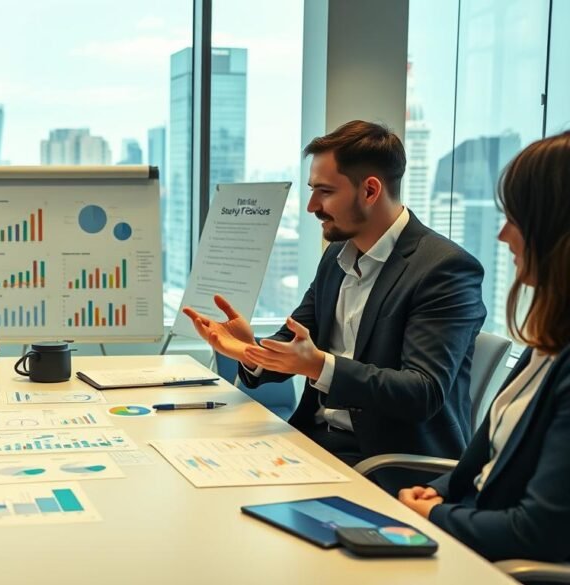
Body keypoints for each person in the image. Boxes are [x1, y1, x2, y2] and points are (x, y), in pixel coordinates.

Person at [184, 120, 486, 493]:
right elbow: (297, 342)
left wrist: (318, 365)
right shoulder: (337, 257)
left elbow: (421, 392)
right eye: (313, 191)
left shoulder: (444, 269)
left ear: (370, 190)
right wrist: (251, 352)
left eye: (325, 192)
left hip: (388, 466)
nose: (312, 206)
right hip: (313, 443)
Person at [398, 131, 570, 562]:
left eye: (516, 219)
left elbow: (537, 534)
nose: (503, 235)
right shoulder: (548, 341)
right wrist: (439, 491)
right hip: (469, 537)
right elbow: (491, 461)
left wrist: (434, 516)